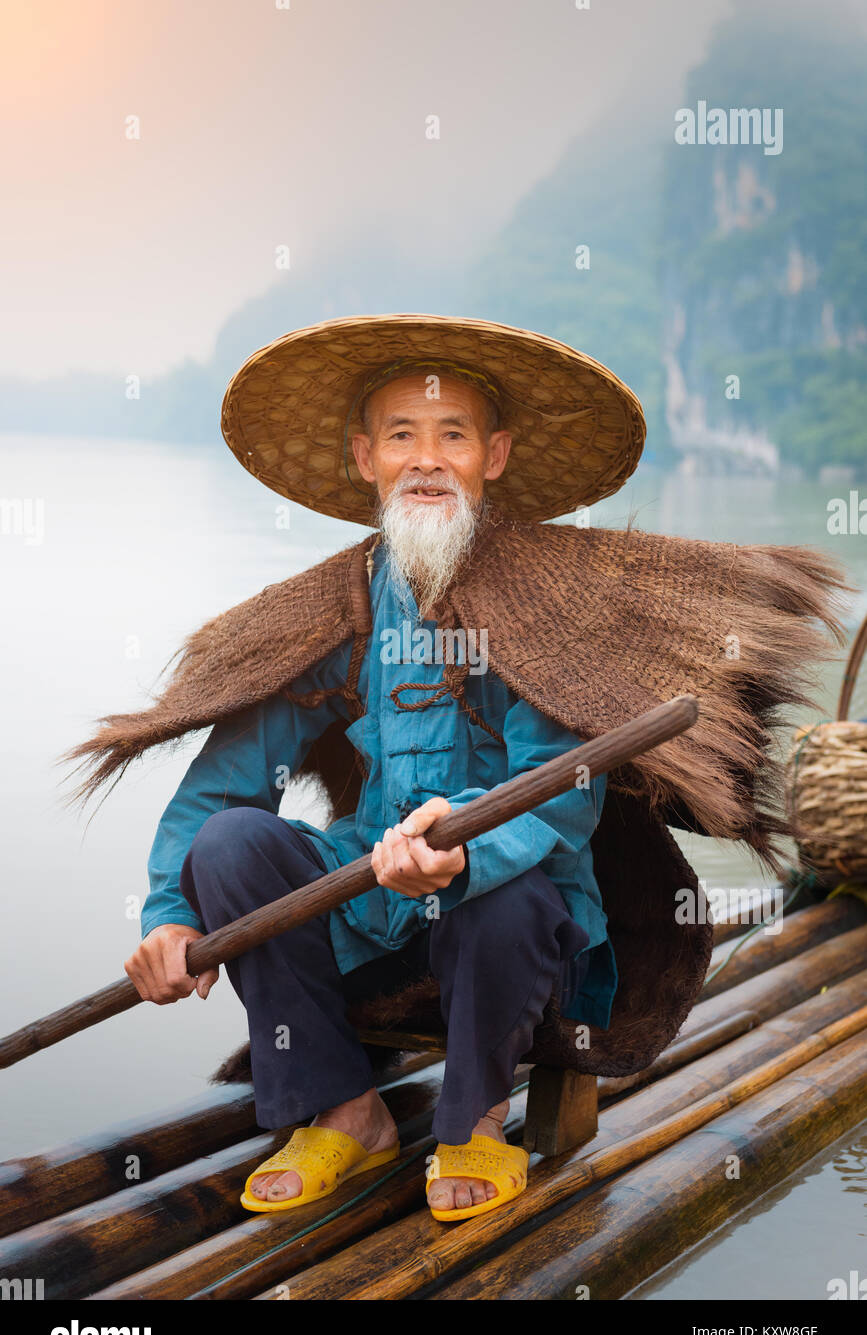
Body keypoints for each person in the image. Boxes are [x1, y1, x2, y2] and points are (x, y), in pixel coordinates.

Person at [65, 315, 845, 1222]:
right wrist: (169, 918)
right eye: (402, 436)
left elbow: (561, 797)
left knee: (502, 895)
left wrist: (460, 847)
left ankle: (473, 1117)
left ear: (494, 456)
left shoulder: (545, 602)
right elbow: (226, 781)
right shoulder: (338, 606)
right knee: (231, 844)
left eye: (452, 437)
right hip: (370, 902)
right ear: (366, 458)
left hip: (516, 919)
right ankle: (346, 1111)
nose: (426, 459)